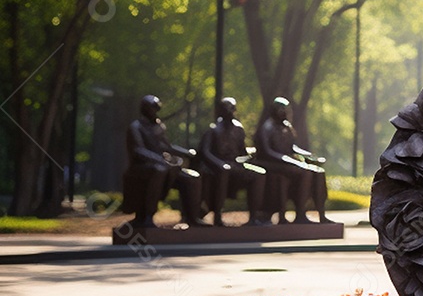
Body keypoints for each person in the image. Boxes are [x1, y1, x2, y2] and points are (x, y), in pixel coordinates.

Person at [122, 94, 202, 228]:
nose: (155, 111)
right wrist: (160, 160)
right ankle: (147, 217)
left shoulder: (159, 126)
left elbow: (166, 147)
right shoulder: (136, 127)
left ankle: (192, 217)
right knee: (159, 170)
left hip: (165, 167)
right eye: (153, 108)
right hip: (142, 168)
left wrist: (187, 153)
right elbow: (138, 150)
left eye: (156, 108)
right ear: (145, 109)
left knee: (192, 178)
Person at [253, 97, 329, 224]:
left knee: (319, 172)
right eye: (282, 109)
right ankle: (300, 212)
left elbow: (292, 147)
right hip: (272, 163)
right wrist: (290, 160)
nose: (286, 112)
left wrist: (310, 156)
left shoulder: (286, 126)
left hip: (286, 163)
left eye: (287, 109)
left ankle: (321, 214)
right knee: (306, 172)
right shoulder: (267, 128)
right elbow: (267, 151)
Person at [198, 97, 268, 226]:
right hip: (217, 167)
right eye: (226, 108)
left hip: (235, 165)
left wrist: (250, 156)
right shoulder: (213, 130)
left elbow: (242, 152)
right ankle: (217, 216)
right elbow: (205, 152)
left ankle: (253, 217)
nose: (230, 111)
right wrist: (220, 164)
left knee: (259, 173)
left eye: (231, 108)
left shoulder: (238, 129)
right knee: (224, 171)